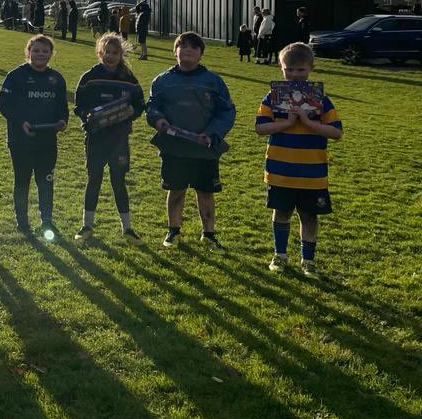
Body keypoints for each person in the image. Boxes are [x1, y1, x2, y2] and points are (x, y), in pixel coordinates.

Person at [255, 43, 342, 278]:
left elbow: (336, 132)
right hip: (280, 169)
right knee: (281, 212)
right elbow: (260, 128)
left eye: (301, 70)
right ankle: (280, 255)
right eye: (289, 70)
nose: (295, 75)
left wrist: (308, 121)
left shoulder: (321, 99)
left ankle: (308, 260)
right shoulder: (273, 96)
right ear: (281, 68)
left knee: (309, 215)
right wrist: (286, 123)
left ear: (311, 68)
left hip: (312, 173)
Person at [146, 32, 236, 250]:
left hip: (204, 149)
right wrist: (158, 120)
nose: (188, 50)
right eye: (183, 46)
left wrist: (212, 133)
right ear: (175, 51)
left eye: (194, 47)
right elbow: (151, 106)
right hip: (174, 148)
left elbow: (227, 111)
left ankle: (209, 233)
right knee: (176, 189)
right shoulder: (162, 81)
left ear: (201, 55)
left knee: (205, 191)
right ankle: (173, 231)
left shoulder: (213, 81)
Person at [74, 33, 145, 242]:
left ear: (121, 54)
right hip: (96, 138)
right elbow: (79, 105)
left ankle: (127, 228)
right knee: (94, 179)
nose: (110, 56)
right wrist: (86, 117)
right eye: (106, 52)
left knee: (118, 181)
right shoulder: (89, 77)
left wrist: (132, 110)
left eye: (114, 53)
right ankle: (86, 225)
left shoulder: (128, 78)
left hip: (119, 139)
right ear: (99, 53)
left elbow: (140, 103)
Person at [0, 35, 69, 236]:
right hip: (21, 141)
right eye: (36, 50)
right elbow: (3, 105)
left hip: (47, 141)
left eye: (45, 51)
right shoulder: (15, 76)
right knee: (22, 181)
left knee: (46, 180)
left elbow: (62, 108)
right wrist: (21, 122)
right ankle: (23, 223)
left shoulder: (57, 79)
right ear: (28, 52)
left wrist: (63, 121)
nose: (40, 54)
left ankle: (46, 221)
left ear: (51, 54)